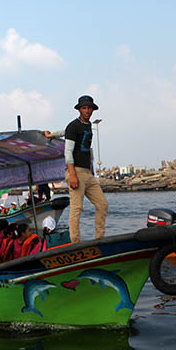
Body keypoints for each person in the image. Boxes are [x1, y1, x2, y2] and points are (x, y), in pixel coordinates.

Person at [65, 95, 108, 243]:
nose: (87, 111)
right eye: (84, 108)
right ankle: (75, 242)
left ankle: (99, 238)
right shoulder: (73, 126)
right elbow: (68, 151)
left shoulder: (88, 125)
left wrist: (52, 134)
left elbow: (65, 133)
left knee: (102, 204)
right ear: (79, 109)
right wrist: (72, 175)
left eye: (89, 108)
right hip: (75, 171)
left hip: (88, 173)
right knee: (77, 208)